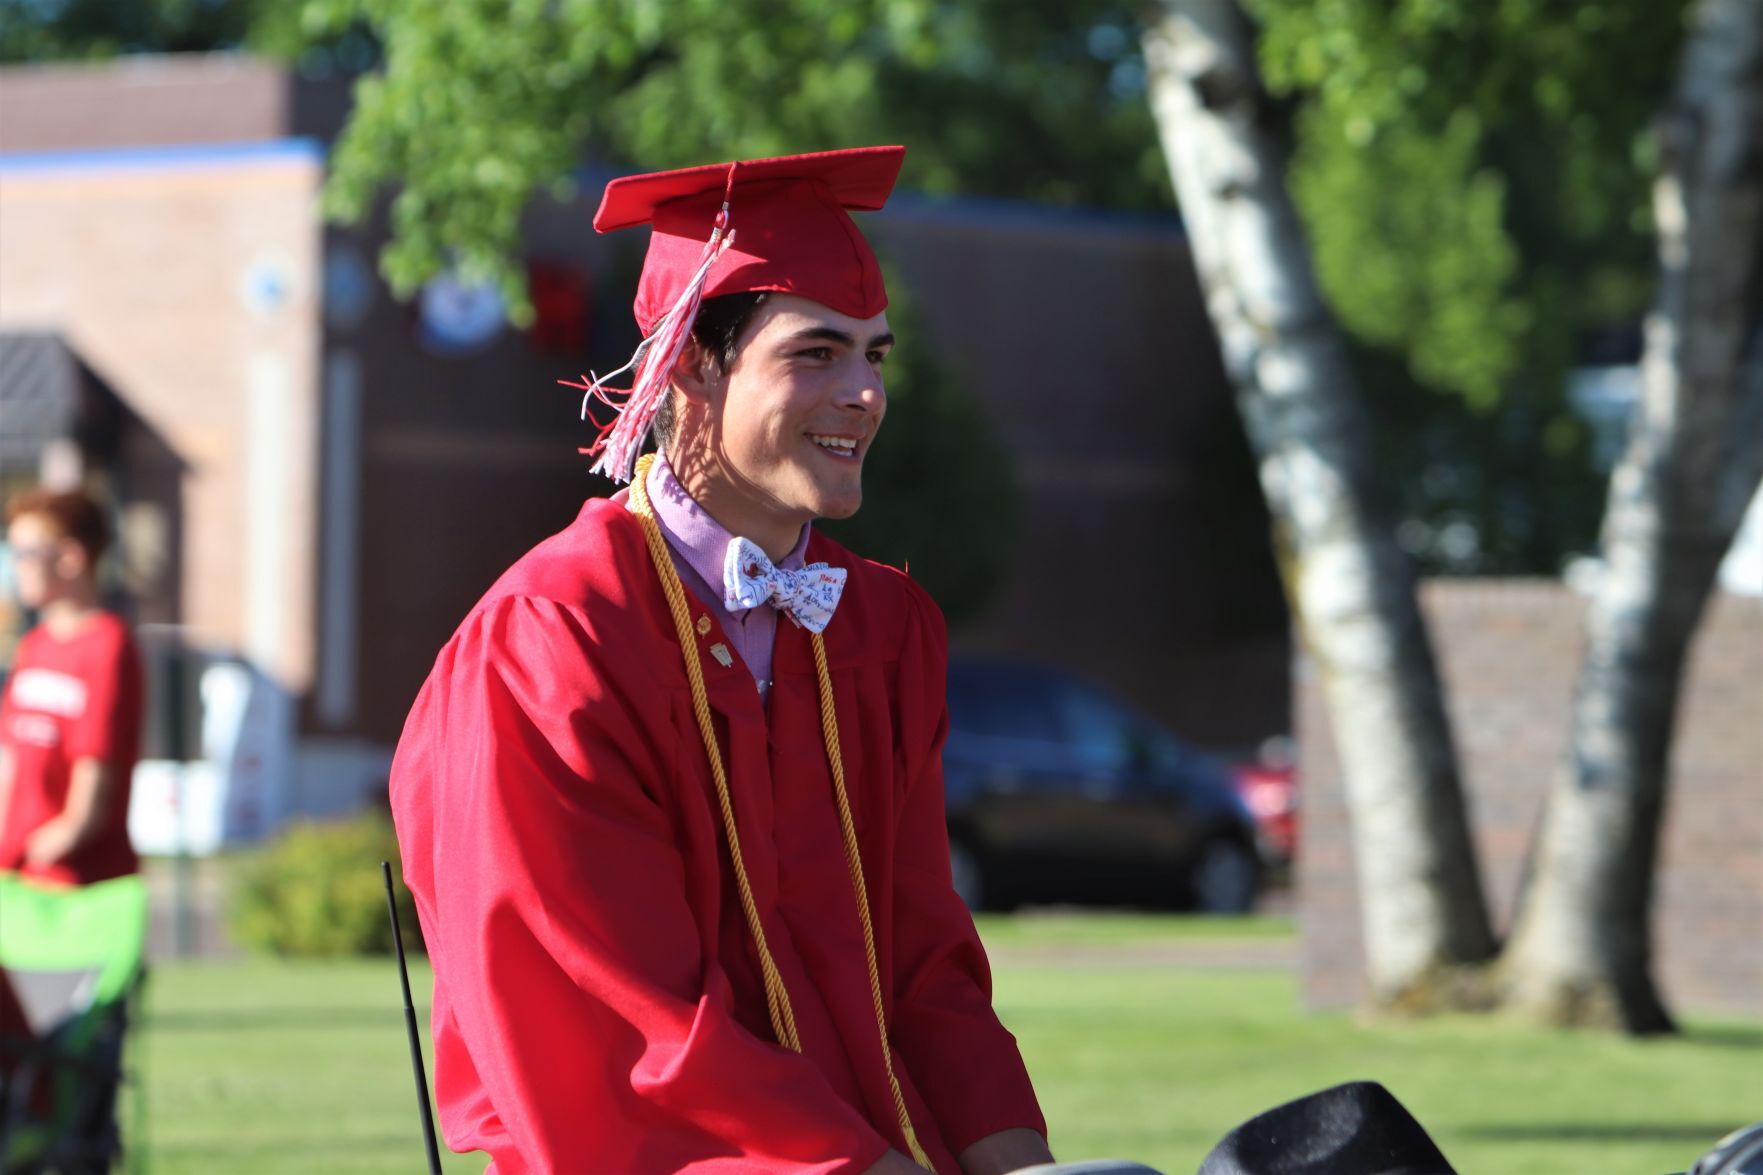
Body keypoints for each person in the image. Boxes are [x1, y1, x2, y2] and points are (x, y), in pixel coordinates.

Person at [390, 146, 1053, 1173]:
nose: (863, 393)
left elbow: (927, 969)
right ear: (692, 362)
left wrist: (1024, 1168)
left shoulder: (880, 627)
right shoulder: (553, 641)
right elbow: (610, 1019)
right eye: (815, 353)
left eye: (874, 356)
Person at [0, 487, 143, 887]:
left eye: (26, 554)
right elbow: (9, 753)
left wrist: (68, 830)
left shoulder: (108, 646)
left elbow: (96, 756)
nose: (16, 567)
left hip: (74, 876)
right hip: (15, 864)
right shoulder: (34, 644)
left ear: (69, 557)